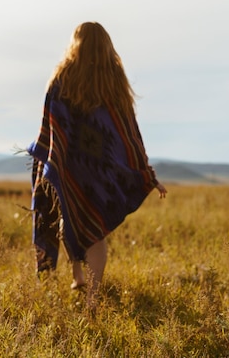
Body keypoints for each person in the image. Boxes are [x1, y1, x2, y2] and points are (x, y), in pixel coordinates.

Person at [27, 21, 167, 307]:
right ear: (106, 46)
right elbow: (128, 133)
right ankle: (88, 292)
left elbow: (52, 124)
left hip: (68, 165)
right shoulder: (113, 80)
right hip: (99, 171)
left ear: (75, 43)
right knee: (93, 230)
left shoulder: (63, 77)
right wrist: (146, 172)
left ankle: (80, 277)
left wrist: (51, 160)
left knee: (68, 214)